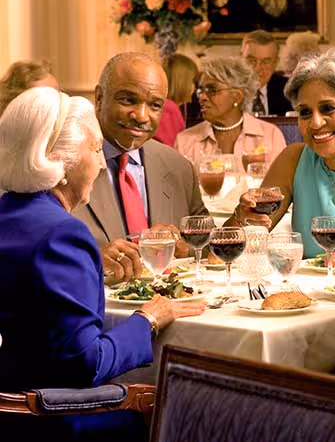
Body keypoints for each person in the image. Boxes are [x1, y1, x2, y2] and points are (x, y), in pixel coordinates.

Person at [0, 87, 205, 439]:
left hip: (8, 403)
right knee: (195, 408)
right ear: (59, 160)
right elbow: (86, 363)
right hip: (50, 417)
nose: (99, 162)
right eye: (95, 149)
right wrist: (149, 319)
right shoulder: (62, 234)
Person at [230, 49, 335, 257]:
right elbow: (239, 246)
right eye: (305, 112)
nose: (316, 123)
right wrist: (242, 217)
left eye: (328, 108)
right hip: (303, 289)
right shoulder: (293, 160)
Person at [74, 52, 208, 283]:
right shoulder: (64, 164)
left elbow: (206, 244)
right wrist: (94, 261)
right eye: (128, 100)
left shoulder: (177, 167)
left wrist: (185, 247)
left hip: (170, 308)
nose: (141, 116)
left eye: (155, 105)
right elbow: (27, 249)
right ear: (99, 97)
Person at [175, 55, 286, 169]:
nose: (202, 97)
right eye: (201, 90)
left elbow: (279, 184)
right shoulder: (185, 141)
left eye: (212, 90)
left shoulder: (270, 136)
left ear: (237, 96)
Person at [241, 29, 292, 115]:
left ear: (275, 63)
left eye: (265, 62)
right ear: (241, 58)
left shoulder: (288, 90)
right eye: (252, 60)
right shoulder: (227, 90)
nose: (257, 68)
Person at [154, 53, 200, 147]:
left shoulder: (163, 105)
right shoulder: (168, 109)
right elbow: (171, 149)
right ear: (182, 82)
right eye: (193, 81)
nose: (194, 88)